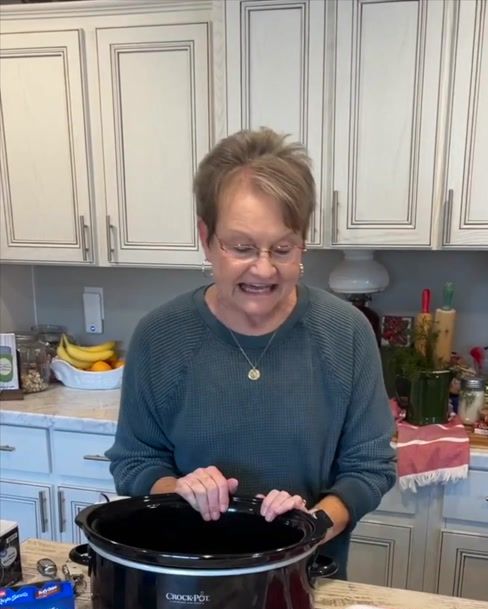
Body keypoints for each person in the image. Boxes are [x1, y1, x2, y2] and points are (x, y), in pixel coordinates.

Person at [107, 128, 396, 578]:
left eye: (283, 248)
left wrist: (311, 525)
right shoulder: (159, 335)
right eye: (241, 247)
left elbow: (369, 467)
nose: (264, 268)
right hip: (190, 576)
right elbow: (134, 461)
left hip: (306, 579)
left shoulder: (347, 333)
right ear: (207, 238)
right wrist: (179, 490)